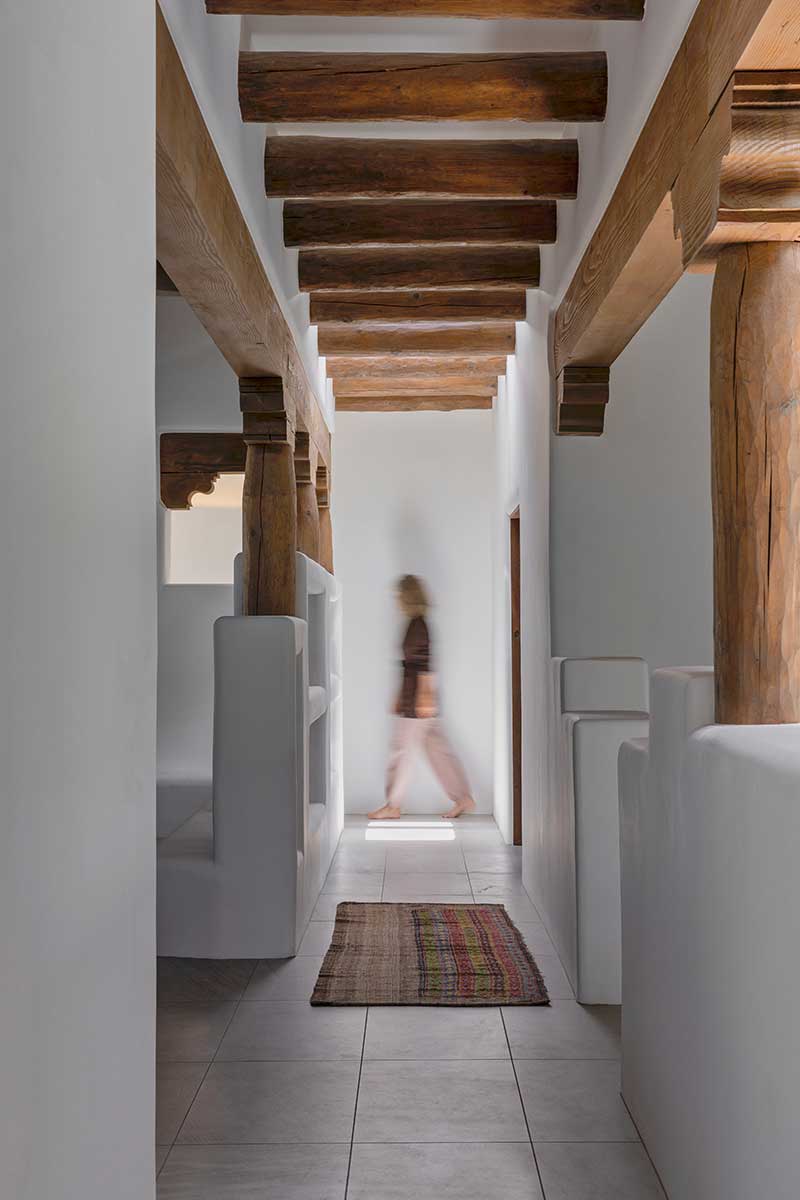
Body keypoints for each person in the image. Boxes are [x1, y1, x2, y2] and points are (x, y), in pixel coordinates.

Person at [368, 575, 476, 820]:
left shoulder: (418, 625)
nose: (396, 600)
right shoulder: (415, 623)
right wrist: (402, 695)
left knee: (400, 751)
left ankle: (393, 805)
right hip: (415, 697)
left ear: (408, 596)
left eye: (398, 595)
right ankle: (463, 798)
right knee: (438, 751)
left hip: (417, 700)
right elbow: (409, 665)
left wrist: (425, 697)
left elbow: (424, 663)